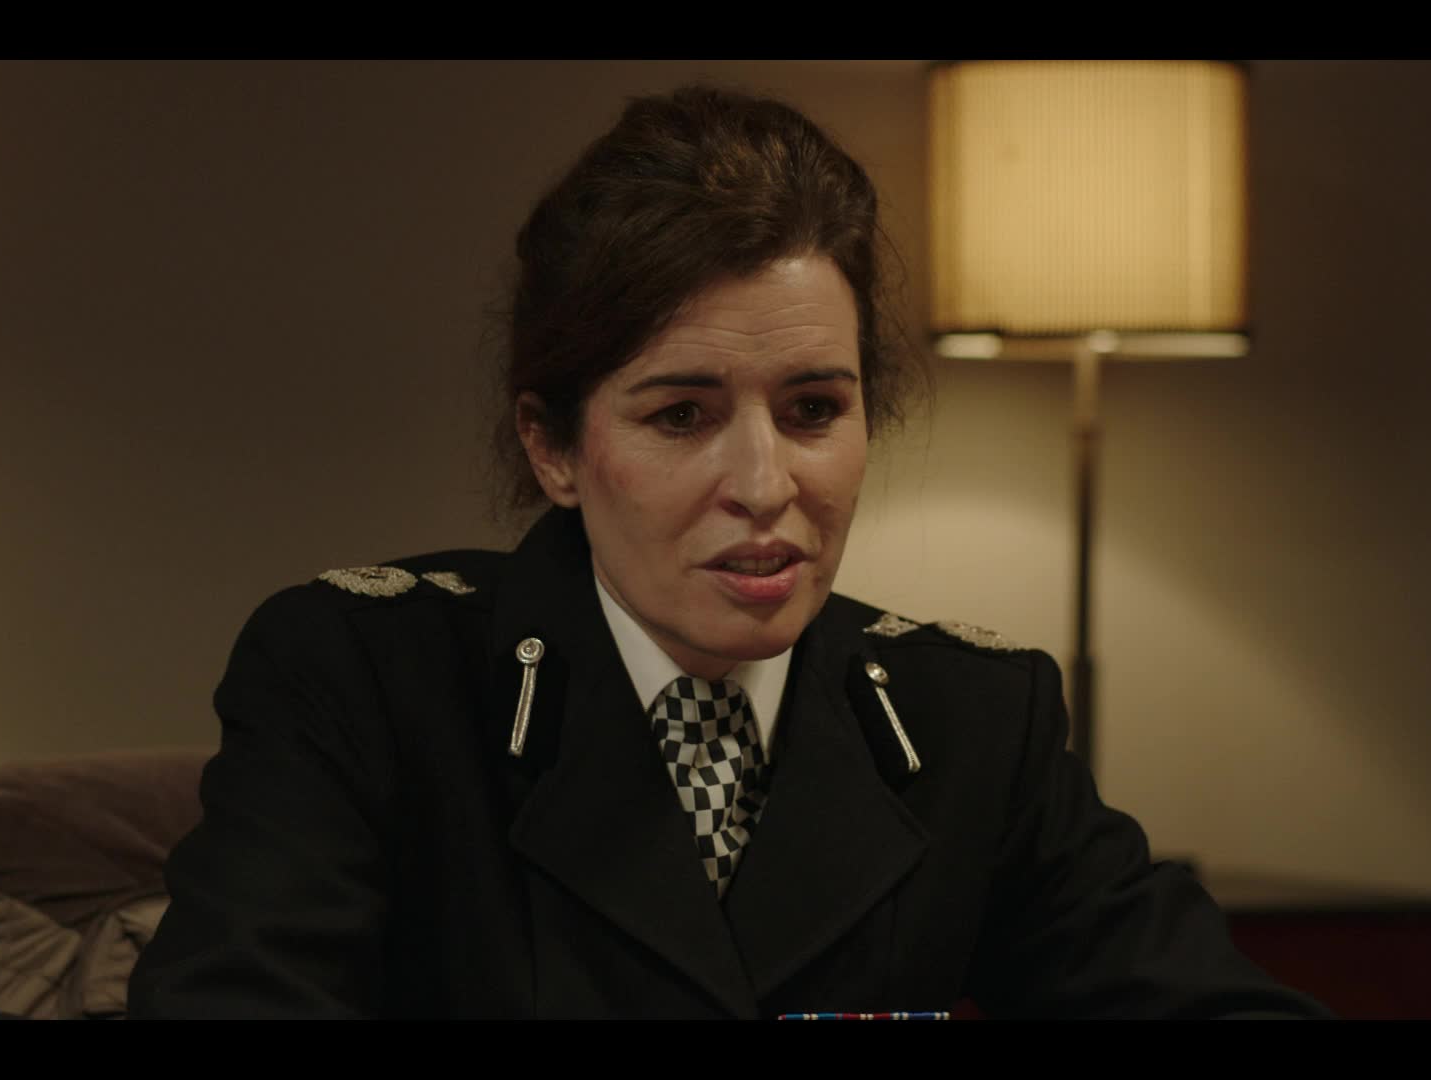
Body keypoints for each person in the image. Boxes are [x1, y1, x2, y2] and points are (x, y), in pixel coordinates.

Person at [128, 84, 1331, 1020]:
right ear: (553, 447)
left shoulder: (971, 720)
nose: (764, 486)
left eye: (813, 410)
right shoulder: (364, 678)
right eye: (682, 416)